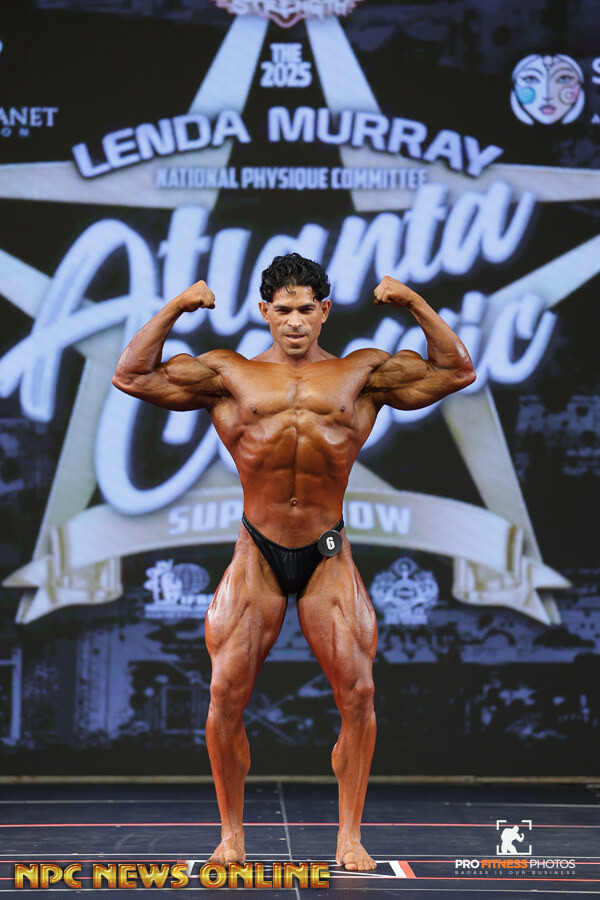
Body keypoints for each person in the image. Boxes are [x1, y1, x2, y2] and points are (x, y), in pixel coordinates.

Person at [112, 253, 475, 871]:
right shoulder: (228, 373)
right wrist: (178, 305)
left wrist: (413, 302)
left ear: (324, 310)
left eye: (307, 308)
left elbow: (456, 370)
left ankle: (349, 836)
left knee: (358, 693)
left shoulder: (362, 373)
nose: (296, 321)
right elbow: (132, 375)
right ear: (265, 312)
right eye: (284, 310)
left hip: (327, 552)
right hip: (257, 550)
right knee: (225, 694)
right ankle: (231, 835)